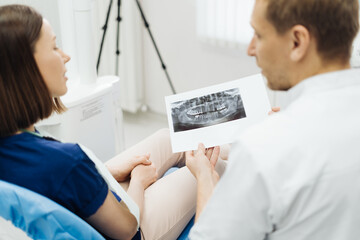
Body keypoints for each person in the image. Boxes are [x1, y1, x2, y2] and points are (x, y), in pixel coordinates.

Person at [0, 4, 228, 240]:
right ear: (26, 70)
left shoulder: (11, 141)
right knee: (213, 168)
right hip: (130, 228)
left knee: (167, 137)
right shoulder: (68, 162)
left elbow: (60, 185)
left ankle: (233, 147)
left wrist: (105, 172)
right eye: (55, 47)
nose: (66, 56)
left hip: (88, 207)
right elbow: (128, 228)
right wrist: (139, 181)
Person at [187, 0, 360, 239]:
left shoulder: (262, 148)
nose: (251, 49)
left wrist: (205, 177)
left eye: (258, 35)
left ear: (297, 42)